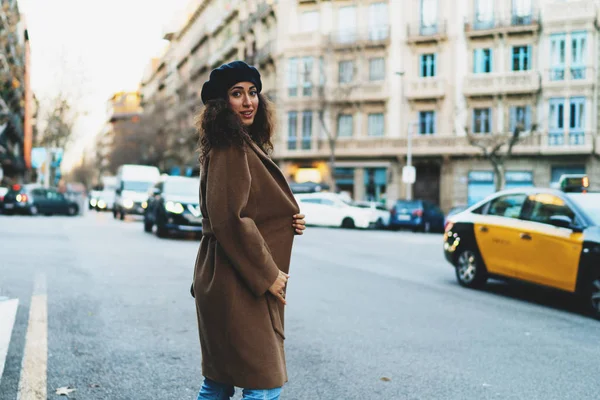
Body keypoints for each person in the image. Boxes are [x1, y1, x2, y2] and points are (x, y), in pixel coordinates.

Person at [192, 60, 307, 400]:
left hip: (227, 275)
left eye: (253, 92)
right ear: (221, 104)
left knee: (220, 380)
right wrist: (269, 274)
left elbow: (248, 209)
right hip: (238, 280)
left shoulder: (239, 143)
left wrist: (289, 220)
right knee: (263, 382)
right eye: (236, 93)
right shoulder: (230, 146)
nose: (248, 101)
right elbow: (230, 218)